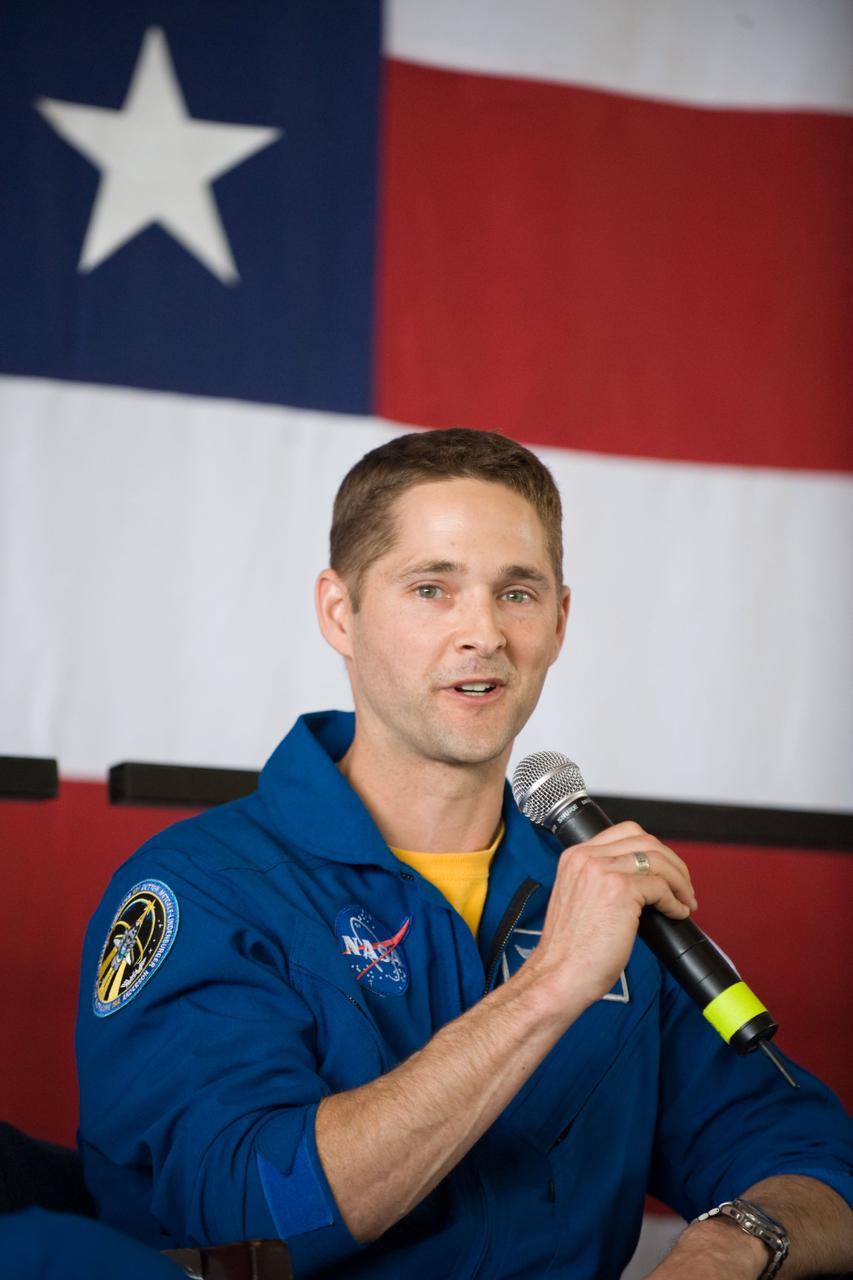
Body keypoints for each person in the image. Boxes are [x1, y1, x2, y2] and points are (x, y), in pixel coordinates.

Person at [76, 429, 853, 1279]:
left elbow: (812, 1157)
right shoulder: (202, 891)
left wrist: (730, 1245)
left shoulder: (594, 894)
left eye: (515, 594)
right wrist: (548, 989)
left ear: (559, 621)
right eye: (431, 590)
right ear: (341, 612)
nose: (481, 633)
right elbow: (249, 1211)